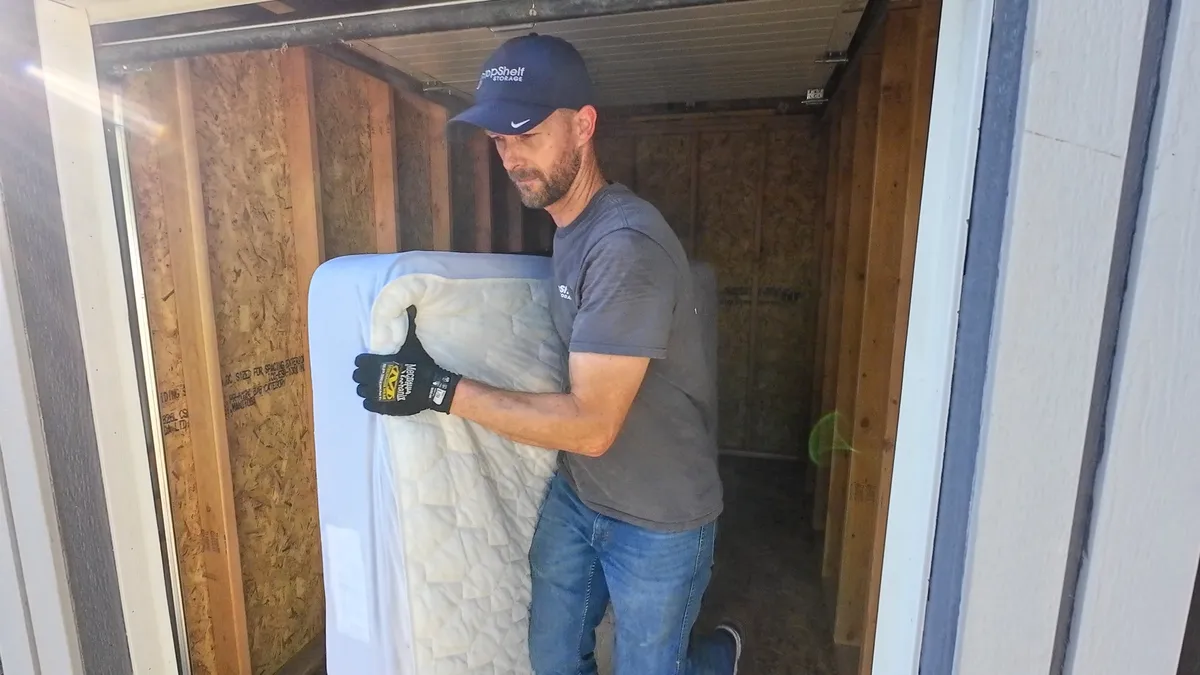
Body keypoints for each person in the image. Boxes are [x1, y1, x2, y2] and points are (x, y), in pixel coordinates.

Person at [351, 34, 742, 675]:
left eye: (526, 133)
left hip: (661, 519)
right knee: (555, 662)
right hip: (581, 497)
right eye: (499, 140)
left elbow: (591, 426)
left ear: (583, 125)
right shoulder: (571, 226)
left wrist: (436, 388)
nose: (510, 157)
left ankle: (716, 657)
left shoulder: (623, 248)